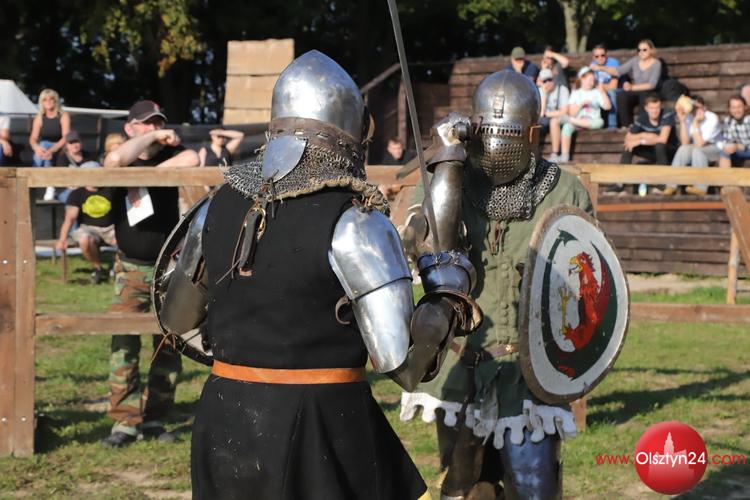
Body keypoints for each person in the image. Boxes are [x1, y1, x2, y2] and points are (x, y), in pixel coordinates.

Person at [153, 50, 478, 499]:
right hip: (318, 427)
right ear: (350, 135)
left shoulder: (217, 204)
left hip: (224, 416)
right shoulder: (356, 222)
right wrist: (447, 293)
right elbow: (403, 364)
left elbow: (176, 319)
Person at [400, 69, 594, 499]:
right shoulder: (445, 180)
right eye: (489, 135)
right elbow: (420, 245)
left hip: (530, 375)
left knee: (535, 488)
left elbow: (586, 286)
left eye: (508, 137)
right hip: (461, 367)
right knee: (463, 489)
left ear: (533, 135)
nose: (496, 149)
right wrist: (447, 168)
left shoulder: (565, 191)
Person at [100, 99, 200, 448]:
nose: (155, 128)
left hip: (169, 268)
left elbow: (193, 159)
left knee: (169, 345)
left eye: (159, 123)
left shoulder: (171, 156)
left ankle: (157, 416)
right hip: (129, 269)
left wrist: (151, 174)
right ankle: (125, 421)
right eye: (147, 123)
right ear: (130, 128)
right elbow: (114, 162)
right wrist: (148, 144)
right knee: (123, 344)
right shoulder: (123, 158)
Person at [55, 162, 116, 284]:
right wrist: (62, 239)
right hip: (88, 228)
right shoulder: (77, 194)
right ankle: (98, 268)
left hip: (110, 228)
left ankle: (117, 269)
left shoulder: (111, 190)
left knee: (125, 239)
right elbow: (70, 218)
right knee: (85, 240)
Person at [659, 95, 721, 196]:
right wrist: (682, 121)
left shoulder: (711, 117)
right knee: (683, 149)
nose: (696, 110)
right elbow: (685, 142)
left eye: (698, 107)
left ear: (704, 107)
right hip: (698, 148)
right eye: (693, 107)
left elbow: (701, 143)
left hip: (715, 149)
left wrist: (695, 122)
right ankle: (671, 186)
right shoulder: (689, 117)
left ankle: (701, 187)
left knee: (698, 151)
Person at [593, 39, 662, 127]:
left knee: (644, 95)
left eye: (644, 50)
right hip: (636, 90)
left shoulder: (656, 63)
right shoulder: (635, 61)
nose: (641, 52)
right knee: (622, 95)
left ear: (651, 50)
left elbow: (652, 85)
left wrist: (632, 87)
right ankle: (626, 125)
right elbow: (618, 71)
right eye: (639, 50)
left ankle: (642, 125)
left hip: (650, 91)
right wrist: (601, 68)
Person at [559, 66, 611, 163]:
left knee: (600, 122)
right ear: (582, 79)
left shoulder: (596, 92)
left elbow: (607, 107)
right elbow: (571, 112)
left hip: (591, 122)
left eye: (593, 80)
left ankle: (571, 121)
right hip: (578, 122)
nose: (592, 82)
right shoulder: (576, 93)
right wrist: (581, 104)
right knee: (566, 127)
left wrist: (602, 92)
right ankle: (564, 156)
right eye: (590, 80)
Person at [29, 88, 71, 200]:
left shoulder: (63, 115)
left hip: (60, 146)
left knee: (45, 146)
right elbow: (33, 138)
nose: (48, 101)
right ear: (41, 102)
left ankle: (37, 181)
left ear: (55, 100)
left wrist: (52, 149)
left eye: (51, 99)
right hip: (44, 149)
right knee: (43, 147)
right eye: (45, 99)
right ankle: (46, 185)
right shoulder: (39, 117)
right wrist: (36, 148)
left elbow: (65, 137)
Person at [54, 131, 97, 202]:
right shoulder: (62, 158)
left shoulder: (88, 156)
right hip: (66, 189)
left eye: (76, 142)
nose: (74, 145)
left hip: (86, 188)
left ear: (81, 142)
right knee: (76, 200)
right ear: (66, 145)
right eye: (71, 143)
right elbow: (62, 177)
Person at [538, 68, 570, 162]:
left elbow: (564, 111)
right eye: (544, 81)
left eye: (549, 80)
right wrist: (544, 95)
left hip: (558, 119)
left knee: (554, 121)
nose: (548, 83)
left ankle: (555, 153)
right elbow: (540, 112)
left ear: (554, 79)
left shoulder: (562, 90)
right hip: (544, 120)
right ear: (541, 82)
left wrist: (547, 114)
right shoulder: (540, 91)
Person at [590, 43, 620, 128]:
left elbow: (614, 85)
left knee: (611, 93)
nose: (600, 58)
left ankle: (612, 125)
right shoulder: (592, 64)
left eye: (602, 55)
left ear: (606, 55)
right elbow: (591, 83)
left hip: (613, 90)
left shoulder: (613, 62)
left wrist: (599, 68)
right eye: (597, 56)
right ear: (593, 57)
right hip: (599, 89)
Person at [718, 95, 750, 168]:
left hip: (747, 148)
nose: (737, 110)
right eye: (733, 108)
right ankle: (725, 174)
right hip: (740, 151)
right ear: (729, 109)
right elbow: (727, 139)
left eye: (739, 107)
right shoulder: (728, 121)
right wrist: (730, 146)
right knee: (725, 151)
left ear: (745, 107)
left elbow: (741, 146)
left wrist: (742, 146)